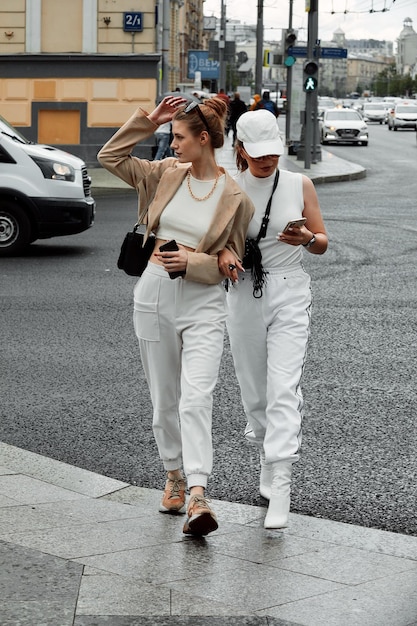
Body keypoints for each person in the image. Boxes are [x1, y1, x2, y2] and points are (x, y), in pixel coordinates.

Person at [98, 96, 254, 536]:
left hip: (203, 303)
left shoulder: (235, 197)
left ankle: (199, 494)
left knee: (196, 399)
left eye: (180, 137)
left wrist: (195, 263)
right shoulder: (165, 173)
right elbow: (109, 157)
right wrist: (149, 122)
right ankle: (173, 474)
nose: (172, 143)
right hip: (152, 295)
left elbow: (233, 262)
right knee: (164, 400)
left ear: (204, 139)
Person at [218, 110, 328, 529]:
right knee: (254, 392)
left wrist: (306, 238)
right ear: (241, 149)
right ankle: (267, 455)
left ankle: (281, 479)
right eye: (258, 153)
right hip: (243, 292)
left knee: (283, 387)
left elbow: (321, 242)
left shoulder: (300, 184)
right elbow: (213, 243)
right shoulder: (228, 187)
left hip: (289, 290)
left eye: (273, 153)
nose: (267, 161)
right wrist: (224, 253)